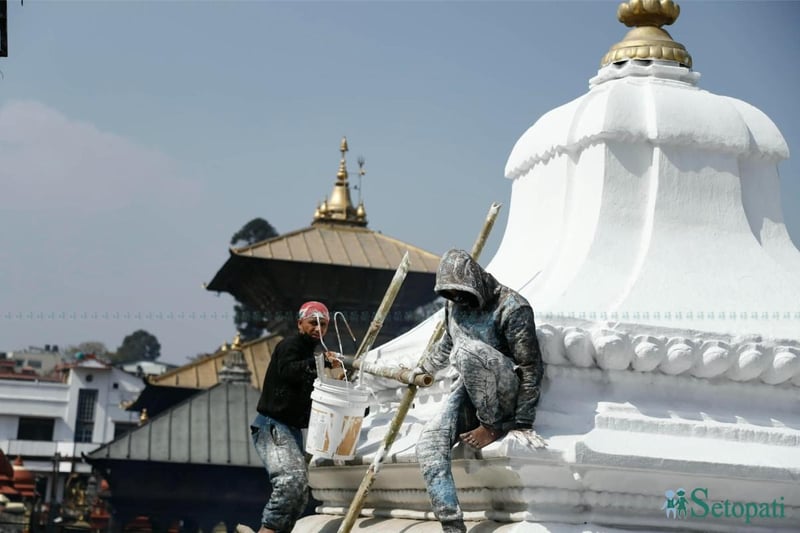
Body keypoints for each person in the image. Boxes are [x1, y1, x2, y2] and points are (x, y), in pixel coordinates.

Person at [415, 249, 544, 533]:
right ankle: (452, 524)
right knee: (428, 445)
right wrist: (422, 370)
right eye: (450, 294)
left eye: (461, 293)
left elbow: (531, 367)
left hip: (504, 391)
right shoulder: (453, 307)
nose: (457, 300)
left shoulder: (512, 307)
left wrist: (521, 421)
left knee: (469, 351)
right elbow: (448, 343)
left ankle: (491, 426)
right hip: (471, 389)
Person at [250, 301, 342, 533]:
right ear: (300, 323)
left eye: (323, 324)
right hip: (273, 425)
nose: (318, 329)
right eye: (313, 323)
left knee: (300, 491)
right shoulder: (289, 345)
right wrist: (321, 363)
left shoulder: (311, 355)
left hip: (289, 429)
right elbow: (288, 371)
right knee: (290, 482)